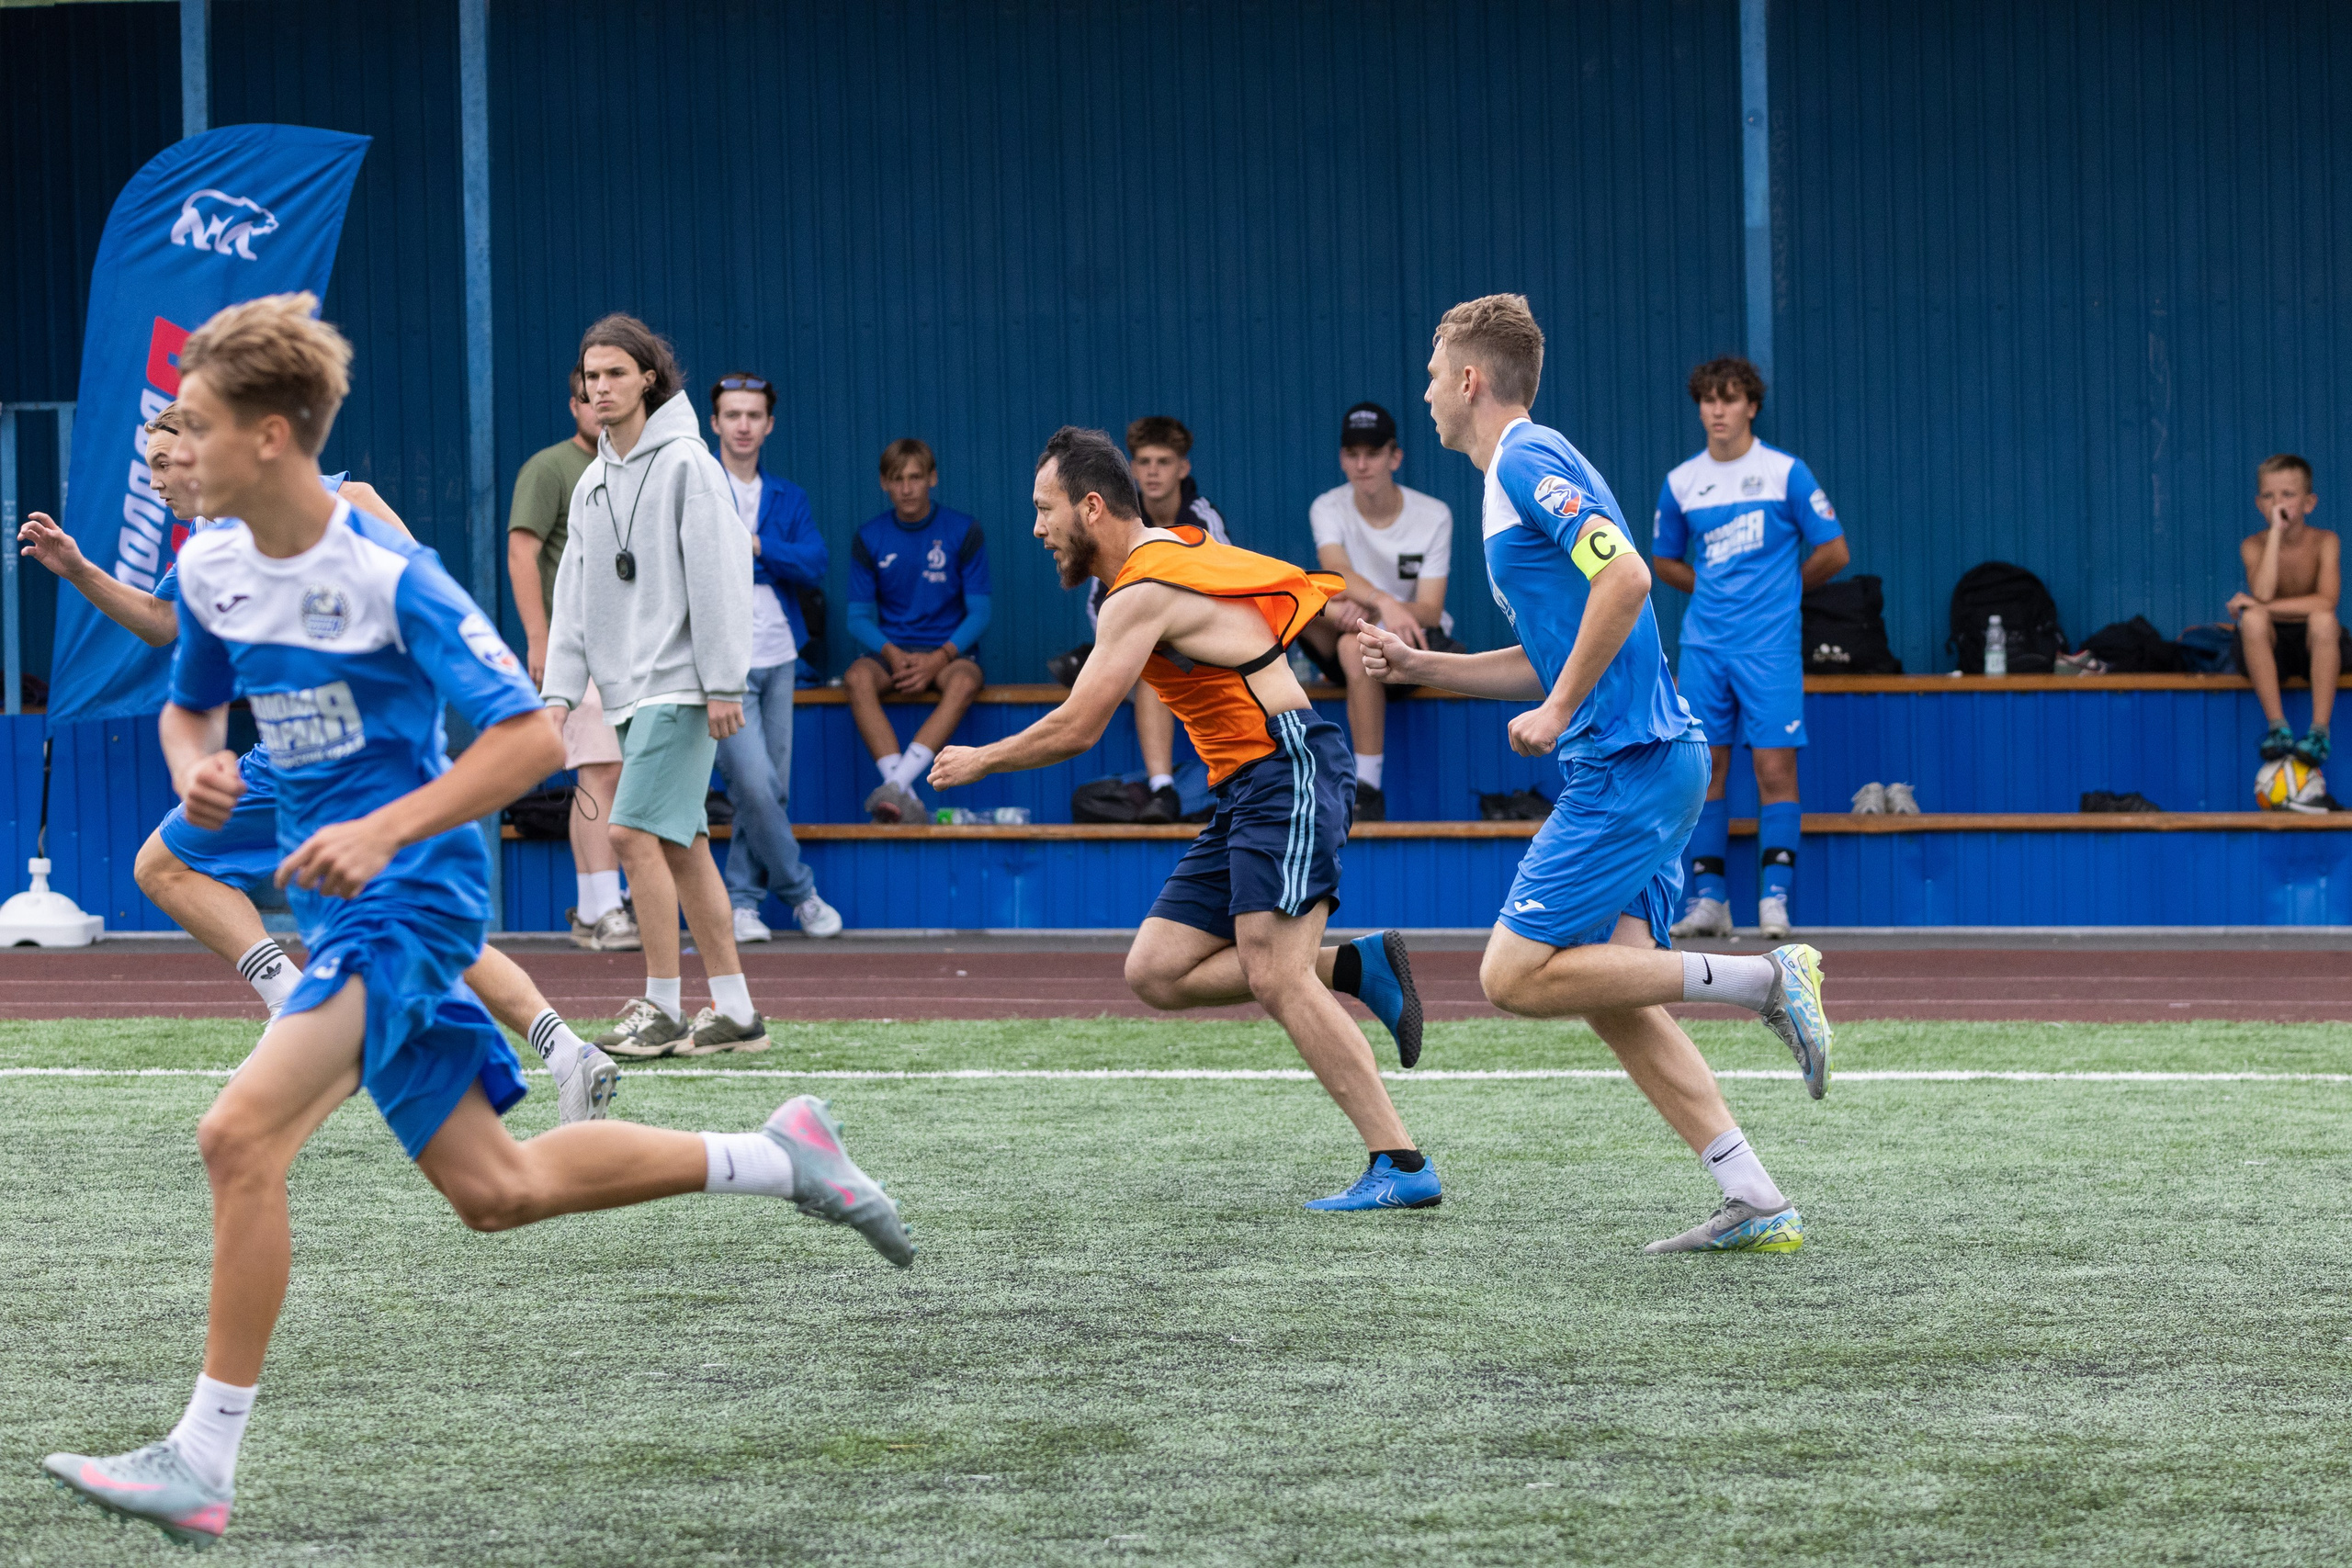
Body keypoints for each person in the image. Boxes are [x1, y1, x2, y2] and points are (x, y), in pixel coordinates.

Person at [39, 294, 910, 1553]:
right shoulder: (212, 563)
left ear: (273, 436)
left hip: (415, 889)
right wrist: (195, 771)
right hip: (347, 899)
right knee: (494, 1189)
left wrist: (388, 829)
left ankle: (201, 1456)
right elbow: (192, 704)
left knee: (236, 1133)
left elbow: (526, 741)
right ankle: (785, 1154)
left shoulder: (387, 573)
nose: (177, 450)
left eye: (201, 427)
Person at [1356, 294, 1832, 1254]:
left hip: (1628, 761)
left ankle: (1764, 979)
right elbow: (1559, 646)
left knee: (1514, 975)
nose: (1424, 393)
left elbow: (1625, 582)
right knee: (1614, 996)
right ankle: (1753, 1193)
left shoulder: (1526, 460)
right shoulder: (1519, 475)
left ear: (1469, 380)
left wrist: (1562, 710)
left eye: (1430, 373)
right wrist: (1424, 669)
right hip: (1644, 761)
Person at [17, 404, 619, 1125]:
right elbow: (165, 626)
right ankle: (305, 1005)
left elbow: (415, 603)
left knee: (406, 933)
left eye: (162, 463)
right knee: (167, 870)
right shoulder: (209, 546)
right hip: (289, 759)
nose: (155, 482)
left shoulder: (345, 505)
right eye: (147, 469)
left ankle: (569, 1059)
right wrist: (78, 569)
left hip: (370, 763)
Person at [931, 425, 1436, 1212]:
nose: (1036, 528)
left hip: (1288, 765)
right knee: (1156, 970)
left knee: (1274, 971)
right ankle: (1354, 966)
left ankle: (1402, 1163)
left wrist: (981, 760)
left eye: (1044, 509)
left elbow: (1079, 725)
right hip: (1245, 786)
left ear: (1091, 507)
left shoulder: (1139, 589)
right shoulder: (1157, 554)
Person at [542, 314, 765, 1058]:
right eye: (589, 376)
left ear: (648, 378)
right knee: (684, 847)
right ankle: (734, 1011)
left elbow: (723, 576)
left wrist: (725, 681)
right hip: (629, 693)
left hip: (683, 686)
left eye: (613, 373)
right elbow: (572, 601)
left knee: (631, 832)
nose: (599, 387)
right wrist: (557, 695)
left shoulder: (689, 466)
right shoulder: (593, 485)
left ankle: (664, 1006)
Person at [1652, 356, 1848, 942]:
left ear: (1751, 406)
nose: (1717, 410)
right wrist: (1708, 589)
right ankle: (1709, 900)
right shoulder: (1683, 481)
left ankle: (1774, 900)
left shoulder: (1785, 472)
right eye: (1708, 400)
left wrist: (1783, 590)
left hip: (1769, 649)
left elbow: (1834, 551)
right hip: (1705, 646)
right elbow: (1663, 559)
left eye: (1730, 399)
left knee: (1774, 768)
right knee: (1703, 771)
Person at [707, 370, 842, 942]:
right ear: (714, 423)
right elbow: (699, 567)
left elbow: (814, 561)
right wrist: (759, 559)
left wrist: (757, 545)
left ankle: (741, 902)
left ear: (768, 425)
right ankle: (802, 892)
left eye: (753, 415)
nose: (743, 425)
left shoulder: (788, 496)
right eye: (732, 415)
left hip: (779, 652)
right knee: (755, 785)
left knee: (770, 788)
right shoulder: (699, 486)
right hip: (719, 659)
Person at [509, 373, 638, 953]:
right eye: (589, 395)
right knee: (598, 772)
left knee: (617, 772)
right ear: (574, 406)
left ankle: (594, 909)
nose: (600, 404)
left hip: (631, 644)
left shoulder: (635, 466)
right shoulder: (550, 467)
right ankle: (605, 908)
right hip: (577, 643)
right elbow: (521, 551)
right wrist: (540, 639)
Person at [1295, 401, 1457, 821]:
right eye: (1352, 454)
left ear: (1395, 457)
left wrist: (1369, 613)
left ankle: (1367, 786)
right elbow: (1336, 571)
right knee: (1293, 606)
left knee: (1354, 646)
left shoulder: (1433, 515)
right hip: (1352, 630)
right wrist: (1373, 604)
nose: (1362, 464)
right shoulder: (1327, 506)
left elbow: (1429, 609)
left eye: (1373, 453)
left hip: (1414, 642)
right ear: (1342, 459)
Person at [1085, 416, 1234, 823]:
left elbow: (1226, 591)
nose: (1153, 471)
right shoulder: (1117, 522)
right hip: (1140, 653)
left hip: (1202, 651)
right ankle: (1162, 789)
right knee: (1151, 663)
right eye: (1144, 461)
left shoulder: (1202, 518)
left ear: (1183, 468)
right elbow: (1098, 604)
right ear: (1131, 469)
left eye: (1164, 461)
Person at [844, 438, 989, 823]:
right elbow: (856, 616)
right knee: (856, 677)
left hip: (947, 653)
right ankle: (902, 791)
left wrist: (939, 657)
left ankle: (895, 787)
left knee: (964, 681)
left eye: (915, 477)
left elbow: (980, 612)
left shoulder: (963, 530)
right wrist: (892, 653)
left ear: (932, 478)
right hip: (893, 651)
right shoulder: (869, 536)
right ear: (884, 483)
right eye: (897, 479)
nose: (907, 488)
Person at [2230, 454, 2340, 765]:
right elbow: (2262, 593)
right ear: (2258, 504)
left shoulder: (2326, 541)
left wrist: (2262, 606)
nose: (2278, 503)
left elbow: (2326, 601)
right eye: (2269, 496)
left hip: (2316, 646)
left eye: (2288, 494)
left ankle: (2319, 732)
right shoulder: (2253, 545)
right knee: (2252, 620)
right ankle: (2278, 728)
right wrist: (2276, 533)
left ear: (2309, 503)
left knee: (2323, 620)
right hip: (2270, 646)